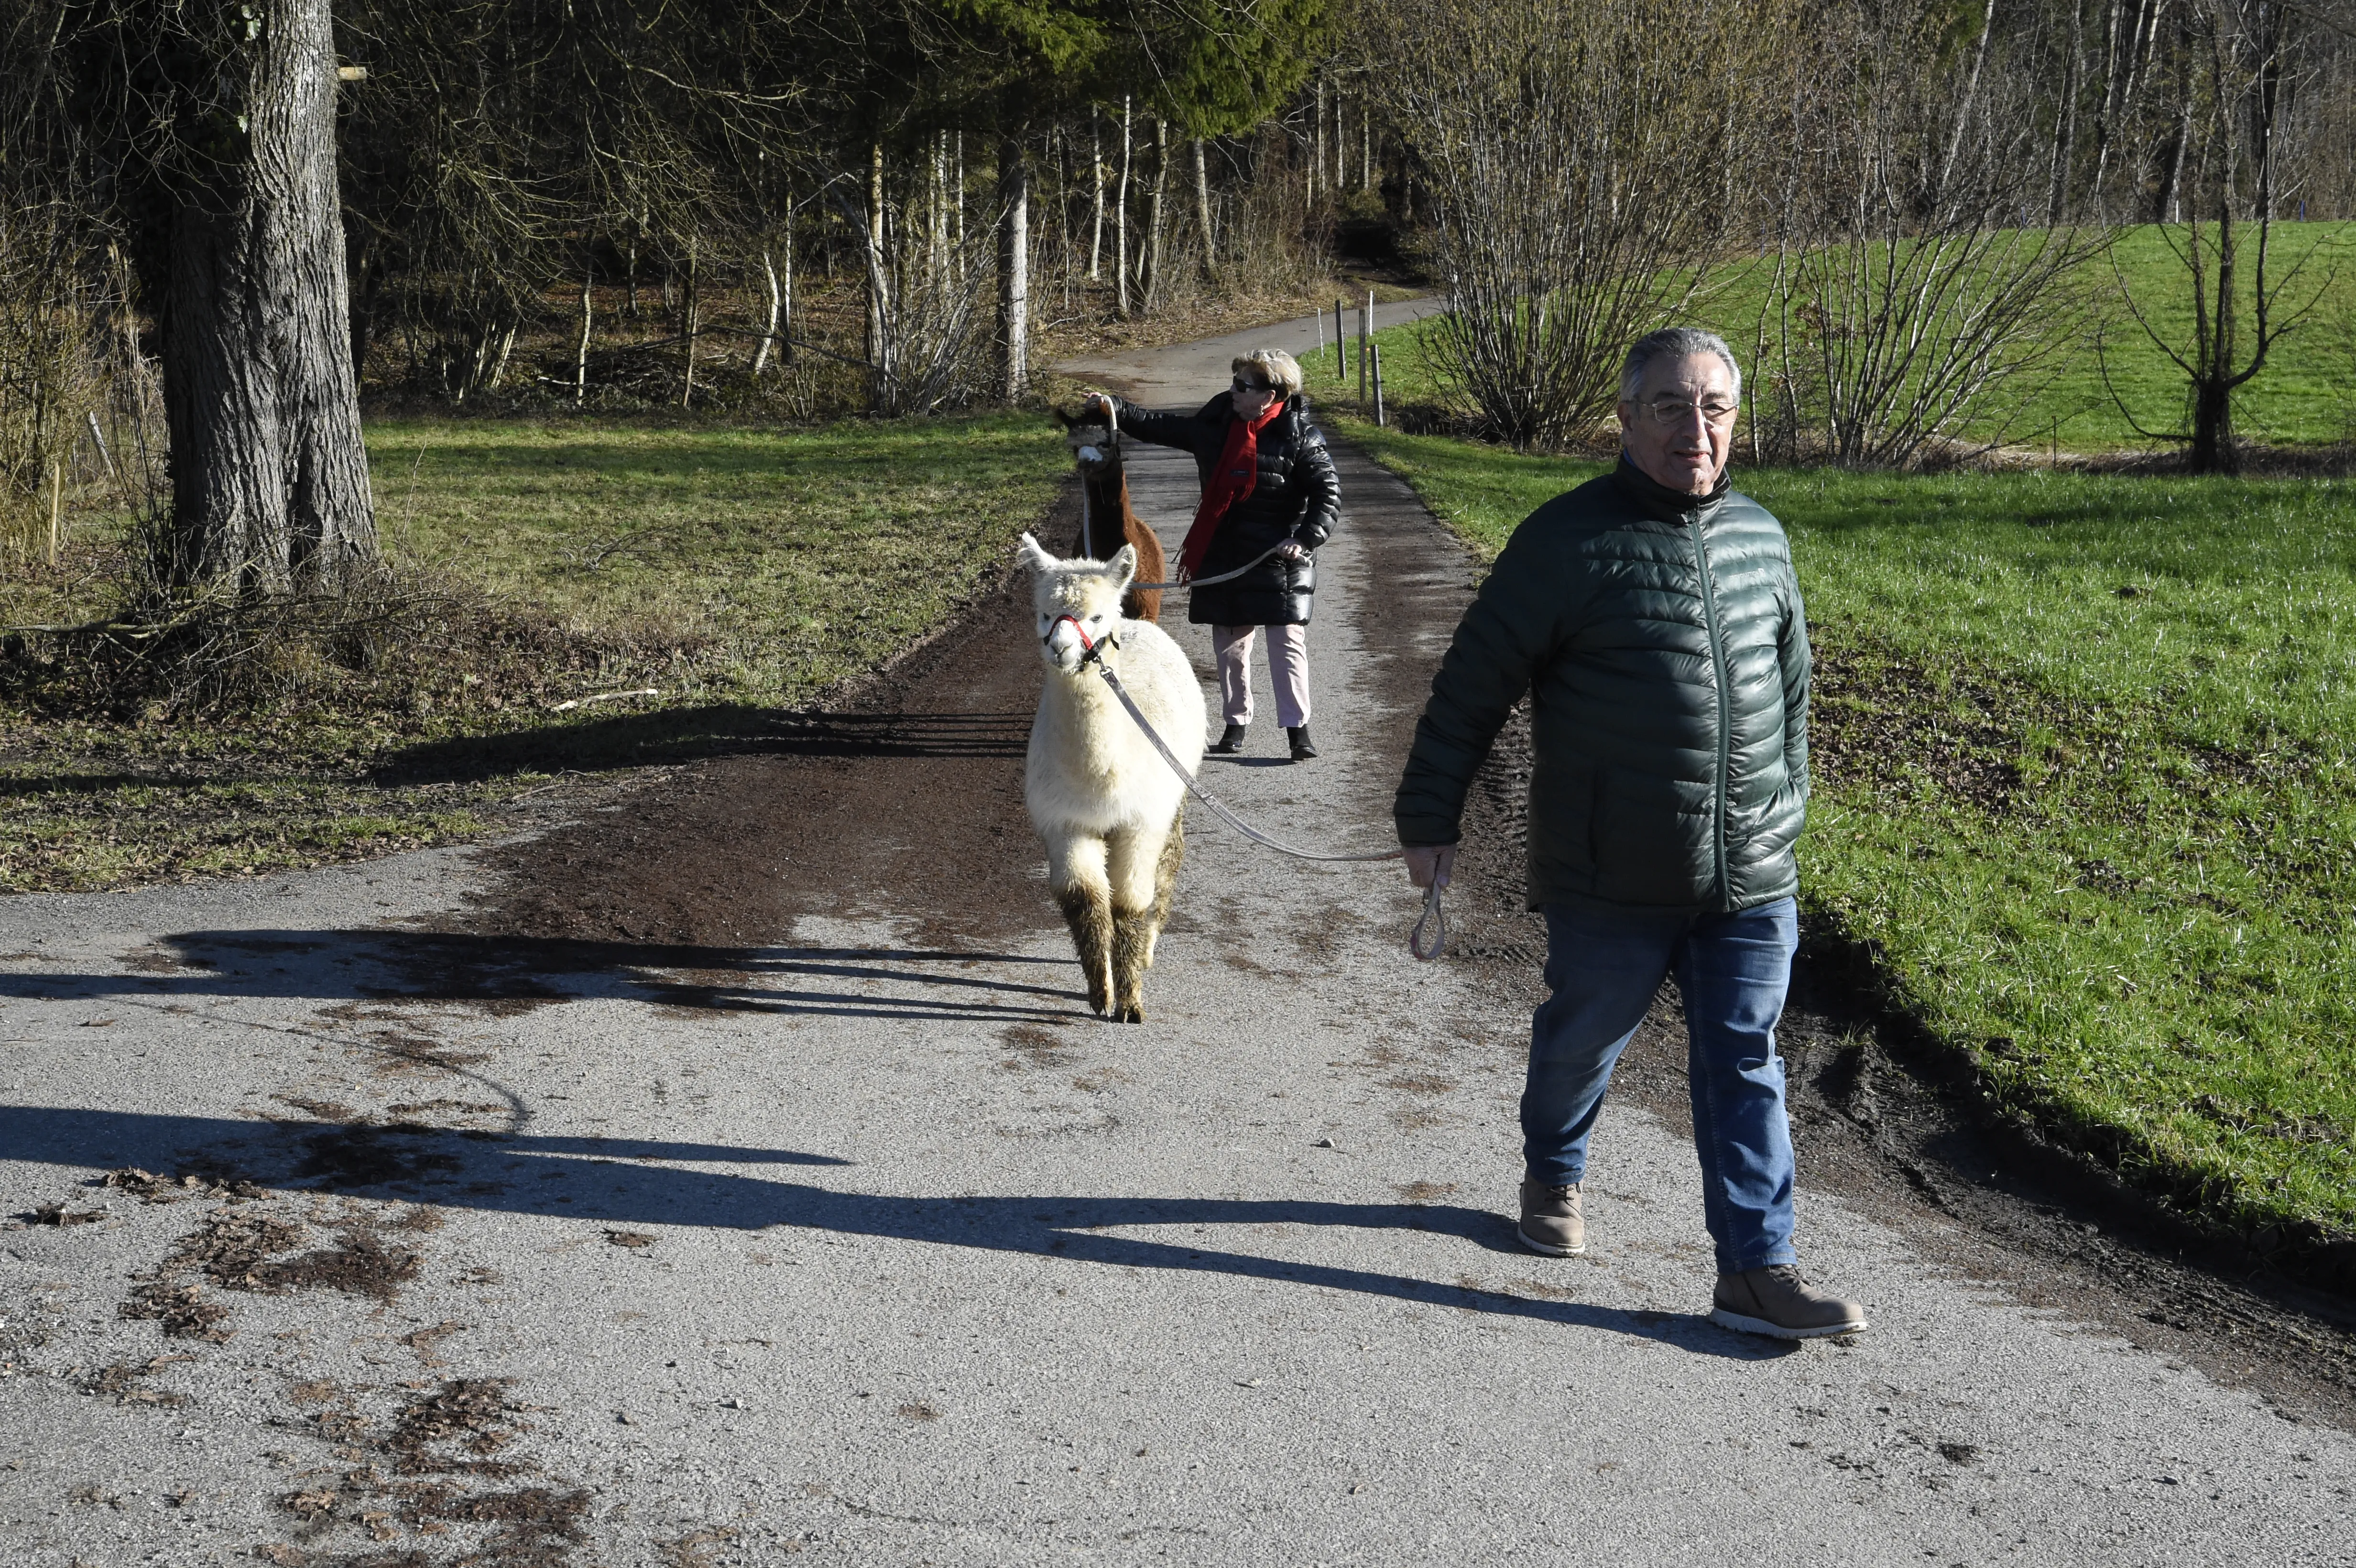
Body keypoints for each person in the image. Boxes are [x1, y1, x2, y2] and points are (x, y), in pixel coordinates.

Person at [1392, 327, 1867, 1341]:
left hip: (1748, 869)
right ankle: (1552, 1167)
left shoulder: (1762, 537)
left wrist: (1786, 810)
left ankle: (1754, 1267)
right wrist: (1430, 813)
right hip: (1611, 867)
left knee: (1743, 1055)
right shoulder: (1565, 542)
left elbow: (1792, 697)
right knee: (1582, 1040)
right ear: (1626, 417)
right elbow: (1474, 681)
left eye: (1714, 408)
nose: (1694, 429)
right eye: (1669, 406)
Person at [1084, 348, 1340, 762]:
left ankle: (1298, 732)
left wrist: (1306, 539)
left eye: (1244, 386)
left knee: (1287, 641)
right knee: (1230, 644)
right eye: (1234, 382)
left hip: (1280, 557)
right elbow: (1161, 426)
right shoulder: (1216, 424)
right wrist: (1114, 407)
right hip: (1223, 551)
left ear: (1271, 395)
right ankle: (1235, 725)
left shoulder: (1301, 437)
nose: (1233, 391)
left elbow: (1327, 495)